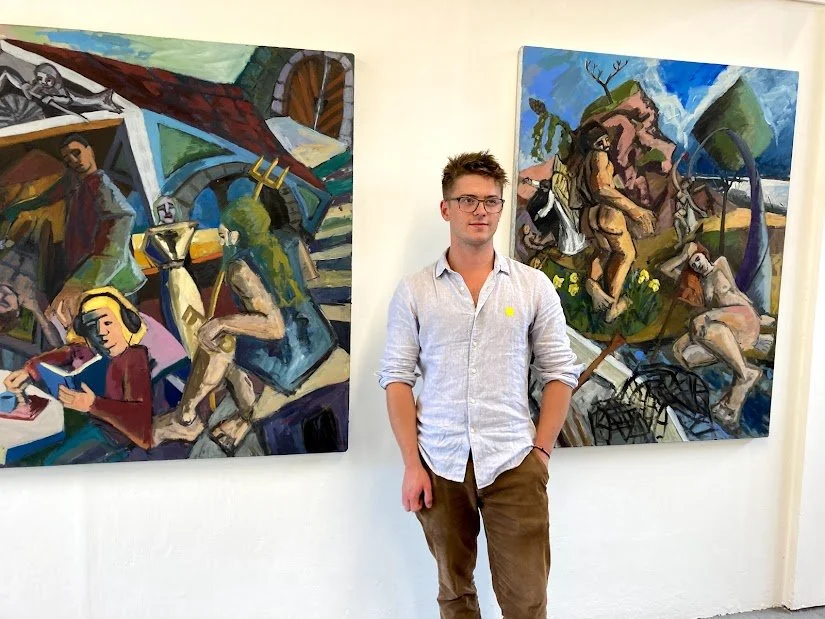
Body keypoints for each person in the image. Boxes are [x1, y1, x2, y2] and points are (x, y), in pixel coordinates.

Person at [378, 151, 582, 619]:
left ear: (502, 208)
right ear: (445, 208)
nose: (480, 211)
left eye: (491, 201)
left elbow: (559, 372)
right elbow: (396, 379)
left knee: (527, 600)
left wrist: (541, 453)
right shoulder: (415, 291)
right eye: (467, 200)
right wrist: (411, 465)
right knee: (455, 594)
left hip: (514, 462)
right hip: (440, 463)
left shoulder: (532, 287)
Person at [4, 133, 146, 326]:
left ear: (90, 151)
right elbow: (47, 197)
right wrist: (14, 210)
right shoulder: (74, 181)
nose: (73, 161)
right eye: (67, 158)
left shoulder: (103, 187)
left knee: (119, 329)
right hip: (84, 274)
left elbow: (121, 221)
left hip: (112, 281)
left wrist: (79, 282)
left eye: (76, 153)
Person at [3, 287, 154, 463]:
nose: (101, 332)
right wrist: (29, 371)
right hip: (87, 421)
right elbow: (68, 352)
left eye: (107, 323)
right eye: (92, 326)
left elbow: (142, 427)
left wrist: (93, 404)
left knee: (51, 463)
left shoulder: (135, 359)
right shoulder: (96, 349)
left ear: (125, 322)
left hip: (113, 438)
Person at [658, 241, 763, 433]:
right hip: (726, 328)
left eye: (698, 259)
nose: (697, 264)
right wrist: (683, 257)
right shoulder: (698, 284)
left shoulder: (720, 264)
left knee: (699, 322)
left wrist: (690, 249)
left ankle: (744, 374)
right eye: (693, 264)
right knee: (682, 353)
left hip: (743, 317)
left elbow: (736, 292)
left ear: (705, 255)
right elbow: (664, 269)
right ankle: (732, 403)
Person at [575, 122, 656, 322]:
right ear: (592, 144)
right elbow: (602, 189)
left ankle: (592, 283)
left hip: (592, 214)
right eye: (599, 141)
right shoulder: (600, 156)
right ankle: (612, 304)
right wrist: (634, 210)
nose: (605, 144)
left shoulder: (586, 160)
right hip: (608, 213)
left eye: (605, 139)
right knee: (626, 254)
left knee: (604, 252)